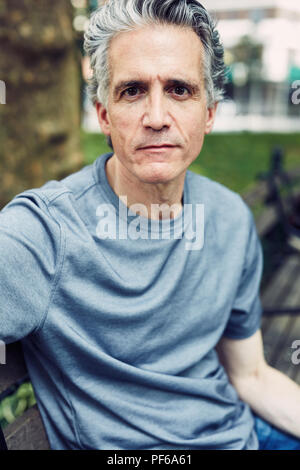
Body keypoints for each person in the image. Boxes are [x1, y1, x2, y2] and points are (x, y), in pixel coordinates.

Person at [1, 0, 300, 450]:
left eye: (179, 89)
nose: (157, 117)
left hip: (244, 435)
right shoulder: (43, 233)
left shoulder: (229, 218)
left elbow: (251, 374)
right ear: (103, 114)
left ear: (210, 112)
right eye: (133, 90)